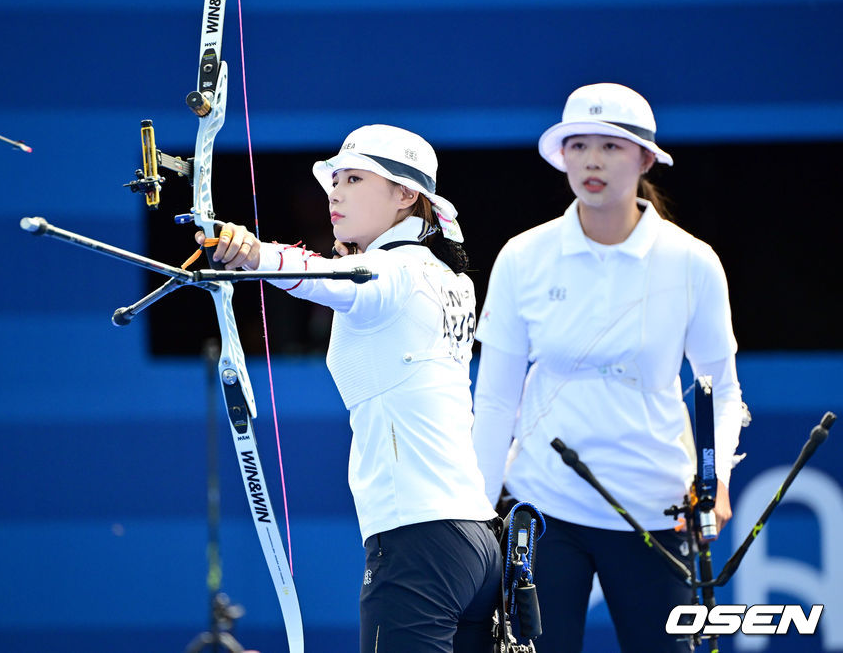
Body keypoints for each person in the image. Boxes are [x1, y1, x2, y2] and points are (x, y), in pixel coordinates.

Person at [199, 124, 502, 652]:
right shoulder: (447, 275)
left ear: (407, 195)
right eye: (335, 180)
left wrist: (253, 256)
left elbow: (336, 277)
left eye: (355, 179)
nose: (335, 192)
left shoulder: (394, 272)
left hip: (421, 536)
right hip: (475, 536)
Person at [472, 83, 744, 652]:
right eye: (579, 145)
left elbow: (720, 388)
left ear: (646, 159)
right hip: (543, 508)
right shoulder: (523, 258)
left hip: (655, 509)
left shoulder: (692, 262)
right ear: (562, 156)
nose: (592, 160)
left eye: (611, 146)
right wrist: (474, 506)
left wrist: (714, 482)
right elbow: (496, 400)